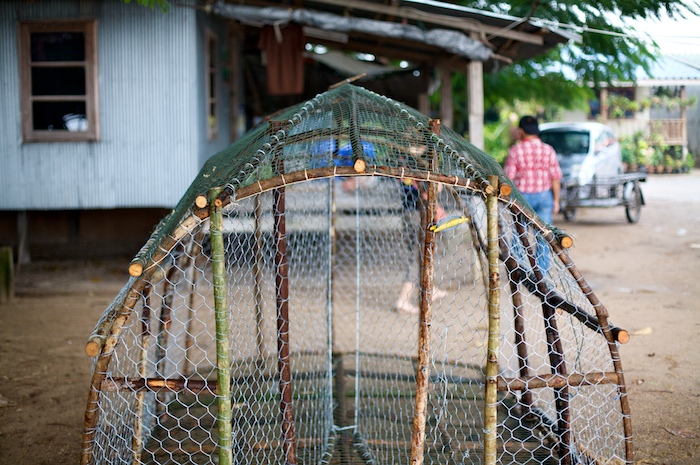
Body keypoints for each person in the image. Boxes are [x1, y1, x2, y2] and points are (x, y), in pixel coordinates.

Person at [504, 115, 562, 273]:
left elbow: (508, 179)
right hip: (544, 197)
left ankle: (519, 270)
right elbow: (555, 178)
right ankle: (541, 275)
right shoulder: (548, 150)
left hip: (522, 199)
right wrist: (556, 201)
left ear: (521, 131)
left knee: (519, 235)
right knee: (543, 236)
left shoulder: (516, 151)